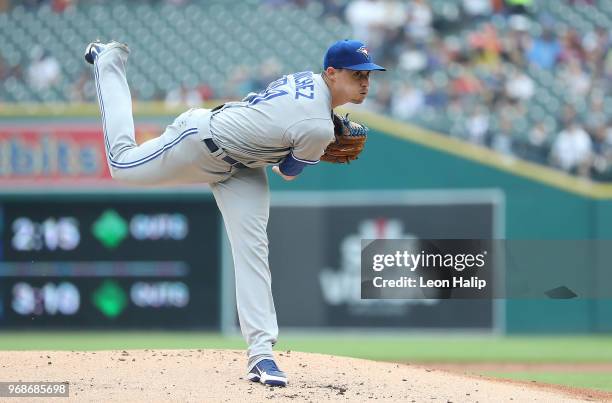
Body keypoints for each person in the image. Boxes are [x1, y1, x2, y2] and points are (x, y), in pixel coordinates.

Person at [84, 38, 385, 386]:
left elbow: (292, 123)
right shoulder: (317, 128)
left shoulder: (308, 82)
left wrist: (320, 131)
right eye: (356, 73)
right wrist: (321, 141)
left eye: (368, 74)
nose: (365, 81)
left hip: (244, 167)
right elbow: (286, 172)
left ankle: (262, 356)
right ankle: (109, 61)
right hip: (200, 143)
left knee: (253, 250)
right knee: (121, 164)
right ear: (332, 73)